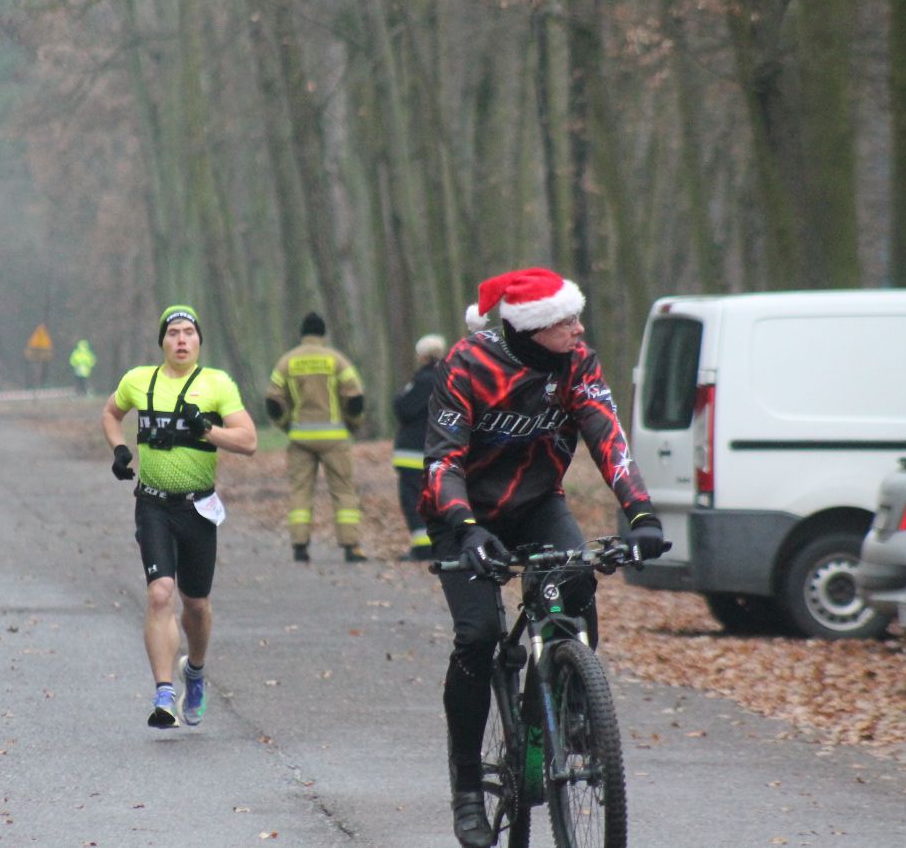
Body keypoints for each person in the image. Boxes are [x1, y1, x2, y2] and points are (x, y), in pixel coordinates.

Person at [419, 267, 666, 847]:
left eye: (577, 318)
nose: (579, 330)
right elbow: (441, 463)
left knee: (577, 578)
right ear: (531, 328)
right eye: (566, 322)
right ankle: (465, 787)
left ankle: (575, 702)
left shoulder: (578, 363)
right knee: (478, 638)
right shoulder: (466, 364)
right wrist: (466, 527)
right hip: (464, 516)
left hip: (536, 503)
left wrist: (641, 514)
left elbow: (609, 437)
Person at [101, 305, 257, 729]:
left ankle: (196, 671)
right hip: (153, 505)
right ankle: (164, 692)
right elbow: (111, 413)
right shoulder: (138, 380)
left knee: (197, 604)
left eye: (189, 332)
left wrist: (206, 429)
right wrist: (118, 449)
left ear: (199, 340)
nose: (182, 340)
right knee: (159, 593)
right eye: (173, 334)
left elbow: (249, 441)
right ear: (163, 342)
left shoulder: (217, 384)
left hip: (198, 508)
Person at [265, 311, 367, 563]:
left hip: (300, 437)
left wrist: (286, 425)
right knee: (343, 491)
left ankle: (300, 545)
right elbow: (355, 397)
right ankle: (350, 546)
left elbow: (273, 401)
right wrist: (352, 425)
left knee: (300, 492)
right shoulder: (336, 360)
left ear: (302, 334)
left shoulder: (287, 362)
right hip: (334, 437)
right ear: (323, 334)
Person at [391, 333, 445, 561]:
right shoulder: (451, 378)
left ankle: (424, 546)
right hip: (442, 448)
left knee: (413, 498)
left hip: (414, 451)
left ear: (422, 356)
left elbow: (404, 408)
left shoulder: (423, 381)